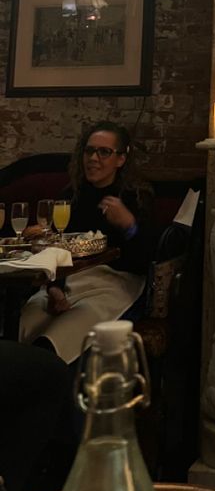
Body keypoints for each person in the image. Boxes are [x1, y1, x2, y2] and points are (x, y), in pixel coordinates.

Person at [19, 121, 155, 364]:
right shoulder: (70, 197)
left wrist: (129, 224)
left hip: (112, 285)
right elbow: (57, 249)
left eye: (104, 152)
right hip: (69, 280)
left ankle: (56, 396)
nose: (94, 158)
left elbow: (145, 259)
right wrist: (54, 287)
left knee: (51, 343)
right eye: (89, 151)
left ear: (121, 160)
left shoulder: (136, 197)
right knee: (26, 323)